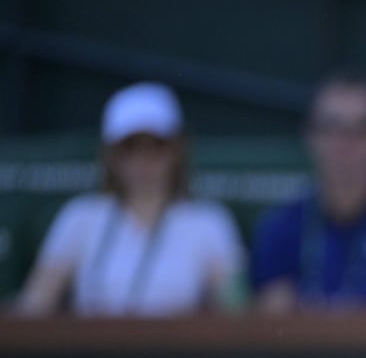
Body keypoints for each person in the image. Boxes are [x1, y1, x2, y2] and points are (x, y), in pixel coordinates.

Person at [15, 82, 245, 316]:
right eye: (129, 147)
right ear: (110, 155)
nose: (143, 160)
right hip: (93, 350)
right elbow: (36, 301)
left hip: (178, 350)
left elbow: (235, 307)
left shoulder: (209, 221)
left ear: (177, 151)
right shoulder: (79, 216)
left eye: (157, 146)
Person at [251, 73, 366, 313]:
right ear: (310, 135)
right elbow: (274, 329)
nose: (344, 143)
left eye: (360, 129)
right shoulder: (280, 227)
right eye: (331, 128)